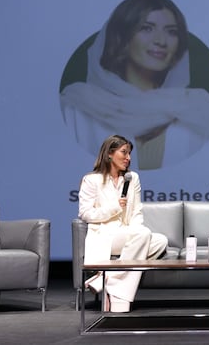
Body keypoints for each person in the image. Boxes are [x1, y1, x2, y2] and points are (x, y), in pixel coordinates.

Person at [61, 0, 209, 170]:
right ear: (123, 37)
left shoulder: (202, 109)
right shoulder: (77, 107)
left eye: (171, 32)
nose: (161, 41)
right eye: (146, 28)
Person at [78, 134, 168, 313]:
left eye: (129, 154)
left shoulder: (132, 178)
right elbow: (85, 213)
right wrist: (114, 208)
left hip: (129, 233)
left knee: (160, 241)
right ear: (109, 154)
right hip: (105, 235)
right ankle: (120, 300)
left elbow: (136, 211)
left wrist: (136, 231)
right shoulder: (92, 180)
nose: (128, 158)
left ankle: (104, 281)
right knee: (143, 236)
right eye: (124, 152)